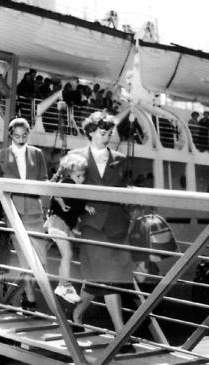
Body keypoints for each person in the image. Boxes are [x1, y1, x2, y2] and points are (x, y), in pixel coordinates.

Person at [69, 115, 136, 341]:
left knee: (102, 277)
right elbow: (63, 186)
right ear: (90, 132)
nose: (106, 137)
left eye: (109, 133)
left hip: (117, 225)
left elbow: (125, 188)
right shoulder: (75, 156)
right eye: (101, 133)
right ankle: (121, 334)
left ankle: (77, 312)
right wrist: (79, 210)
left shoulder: (120, 158)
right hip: (92, 225)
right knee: (109, 278)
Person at [0, 118, 48, 311]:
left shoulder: (37, 154)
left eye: (24, 135)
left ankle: (28, 291)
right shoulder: (1, 155)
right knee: (25, 257)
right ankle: (30, 296)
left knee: (39, 258)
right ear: (10, 135)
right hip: (13, 211)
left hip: (34, 210)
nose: (21, 139)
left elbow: (44, 179)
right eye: (17, 136)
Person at [45, 153, 95, 303]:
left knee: (66, 254)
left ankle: (63, 285)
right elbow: (57, 196)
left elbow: (72, 208)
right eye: (78, 176)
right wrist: (82, 206)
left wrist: (84, 207)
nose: (81, 179)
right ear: (69, 174)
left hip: (59, 224)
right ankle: (64, 285)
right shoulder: (67, 183)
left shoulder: (70, 186)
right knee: (67, 254)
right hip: (57, 224)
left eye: (83, 176)